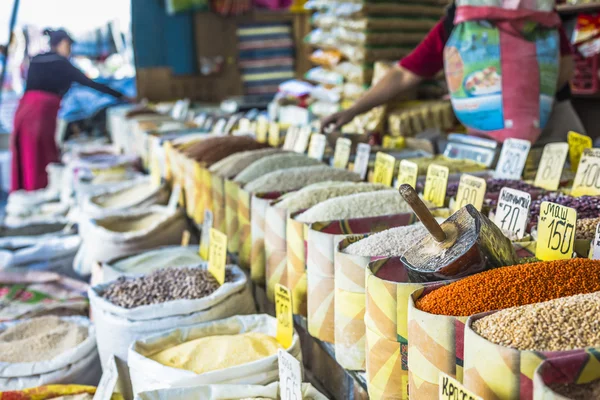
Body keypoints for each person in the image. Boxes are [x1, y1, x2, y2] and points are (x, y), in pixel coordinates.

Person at [322, 4, 585, 145]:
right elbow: (404, 73)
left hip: (552, 132)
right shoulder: (536, 14)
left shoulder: (535, 15)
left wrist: (515, 99)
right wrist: (353, 110)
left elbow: (404, 74)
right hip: (493, 135)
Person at [10, 28, 133, 192]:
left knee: (27, 155)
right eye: (68, 45)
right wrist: (122, 96)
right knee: (38, 157)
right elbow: (90, 84)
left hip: (24, 111)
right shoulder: (60, 63)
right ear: (61, 44)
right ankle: (38, 191)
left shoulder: (38, 59)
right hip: (39, 115)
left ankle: (28, 191)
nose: (69, 50)